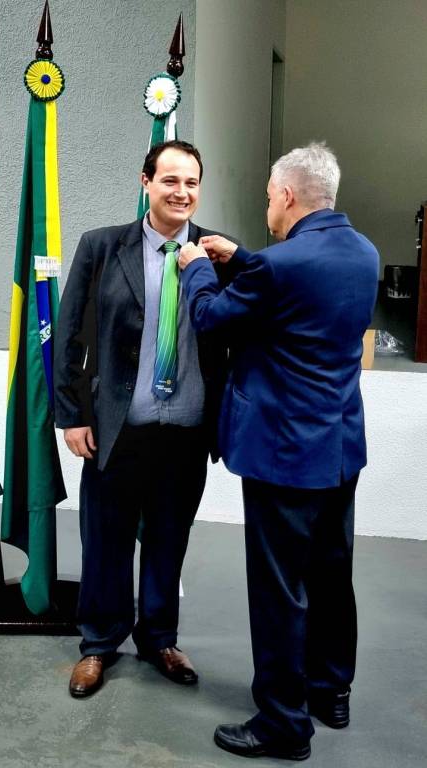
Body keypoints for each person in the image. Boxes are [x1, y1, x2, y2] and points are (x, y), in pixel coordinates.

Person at [178, 143, 379, 761]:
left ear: (287, 195)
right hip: (338, 447)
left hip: (282, 454)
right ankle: (330, 692)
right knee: (331, 576)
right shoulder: (363, 252)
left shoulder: (279, 265)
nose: (267, 204)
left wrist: (197, 266)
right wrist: (242, 258)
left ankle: (282, 724)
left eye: (269, 195)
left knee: (278, 590)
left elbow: (211, 318)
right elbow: (298, 297)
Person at [54, 140, 235, 698]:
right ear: (146, 182)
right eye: (170, 180)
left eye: (192, 182)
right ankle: (98, 644)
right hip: (118, 428)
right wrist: (73, 415)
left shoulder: (219, 255)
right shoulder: (102, 247)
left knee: (168, 539)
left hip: (186, 429)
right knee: (105, 541)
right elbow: (70, 334)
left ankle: (159, 640)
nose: (182, 192)